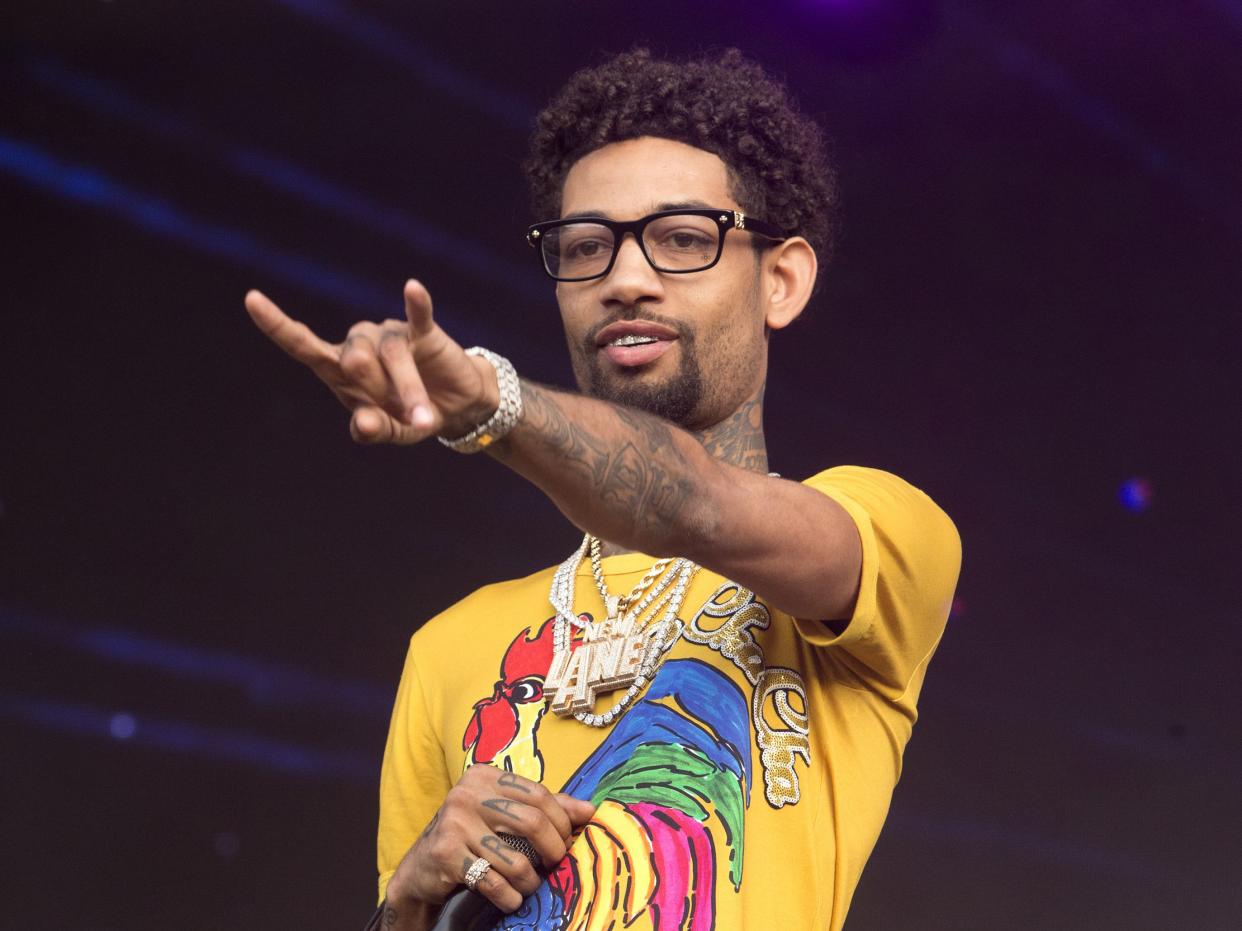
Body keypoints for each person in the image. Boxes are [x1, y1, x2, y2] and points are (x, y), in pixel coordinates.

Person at [246, 48, 960, 931]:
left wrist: (491, 402)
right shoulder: (448, 645)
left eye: (684, 238)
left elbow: (695, 502)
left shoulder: (884, 535)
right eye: (587, 246)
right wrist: (408, 904)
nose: (625, 278)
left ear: (781, 279)